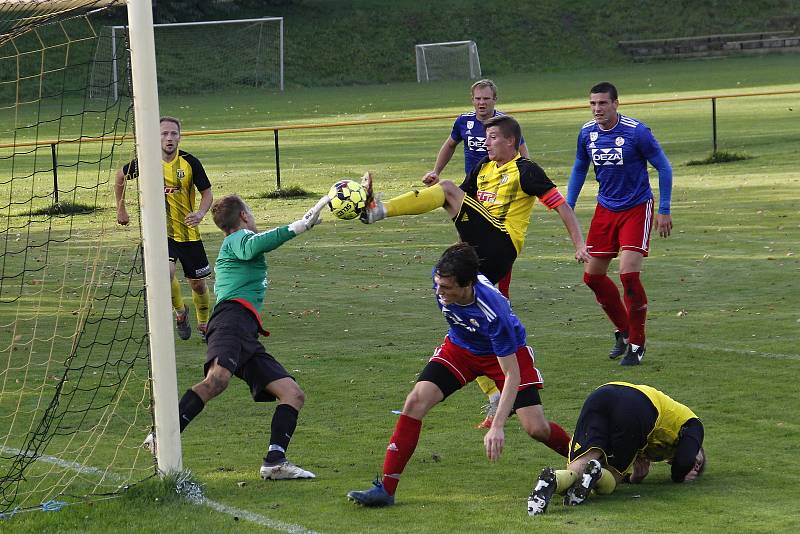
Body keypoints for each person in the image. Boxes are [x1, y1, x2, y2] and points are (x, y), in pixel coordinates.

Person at [362, 114, 591, 427]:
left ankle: (379, 210)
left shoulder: (526, 169)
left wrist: (579, 244)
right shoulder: (482, 168)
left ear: (511, 141)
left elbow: (561, 206)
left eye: (494, 137)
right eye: (486, 137)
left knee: (446, 189)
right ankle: (496, 394)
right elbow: (465, 212)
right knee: (471, 321)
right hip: (482, 254)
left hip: (503, 243)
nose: (487, 142)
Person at [346, 243, 573, 507]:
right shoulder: (443, 276)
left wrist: (498, 426)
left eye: (446, 288)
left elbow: (511, 375)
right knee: (415, 401)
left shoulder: (494, 312)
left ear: (467, 285)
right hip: (460, 347)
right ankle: (386, 490)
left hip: (504, 355)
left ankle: (587, 456)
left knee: (536, 428)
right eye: (438, 285)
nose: (439, 292)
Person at [145, 193, 328, 479]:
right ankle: (162, 437)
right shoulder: (236, 240)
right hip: (231, 321)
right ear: (243, 216)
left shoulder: (239, 241)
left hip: (246, 332)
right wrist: (299, 226)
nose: (252, 217)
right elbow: (255, 244)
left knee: (292, 394)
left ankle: (274, 462)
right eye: (250, 212)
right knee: (216, 381)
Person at [566, 82, 673, 366]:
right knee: (592, 277)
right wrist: (569, 204)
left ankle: (637, 343)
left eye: (603, 103)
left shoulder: (637, 132)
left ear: (616, 104)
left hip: (637, 207)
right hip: (605, 208)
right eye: (593, 104)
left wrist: (664, 209)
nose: (597, 109)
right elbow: (579, 167)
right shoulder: (586, 133)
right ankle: (624, 330)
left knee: (628, 275)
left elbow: (664, 166)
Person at [527, 381, 705, 516]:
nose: (694, 466)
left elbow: (681, 458)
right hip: (639, 406)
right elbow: (684, 460)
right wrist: (680, 476)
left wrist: (634, 478)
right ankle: (597, 473)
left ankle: (552, 481)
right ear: (699, 448)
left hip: (602, 394)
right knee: (612, 477)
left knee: (578, 467)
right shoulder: (692, 425)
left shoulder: (662, 449)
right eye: (698, 463)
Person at [115, 116, 213, 342]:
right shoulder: (146, 161)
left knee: (198, 285)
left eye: (173, 134)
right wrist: (121, 209)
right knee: (165, 272)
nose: (169, 138)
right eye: (164, 134)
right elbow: (121, 175)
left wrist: (199, 213)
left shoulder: (190, 162)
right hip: (160, 234)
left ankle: (204, 322)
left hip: (188, 233)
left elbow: (207, 193)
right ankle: (180, 313)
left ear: (180, 136)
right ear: (156, 136)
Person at [422, 78, 530, 185]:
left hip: (500, 181)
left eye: (486, 98)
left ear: (495, 99)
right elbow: (450, 145)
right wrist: (436, 172)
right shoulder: (463, 121)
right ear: (472, 100)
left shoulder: (506, 122)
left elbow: (521, 149)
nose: (481, 102)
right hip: (472, 182)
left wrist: (526, 174)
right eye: (478, 98)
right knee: (447, 191)